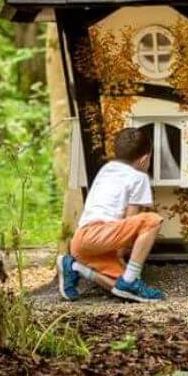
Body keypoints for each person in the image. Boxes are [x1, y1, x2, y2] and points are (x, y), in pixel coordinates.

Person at [57, 127, 166, 302]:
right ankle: (131, 280)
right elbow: (130, 222)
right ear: (145, 159)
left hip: (80, 243)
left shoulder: (106, 169)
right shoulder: (139, 177)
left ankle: (75, 267)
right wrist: (120, 255)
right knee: (152, 221)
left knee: (120, 287)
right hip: (98, 234)